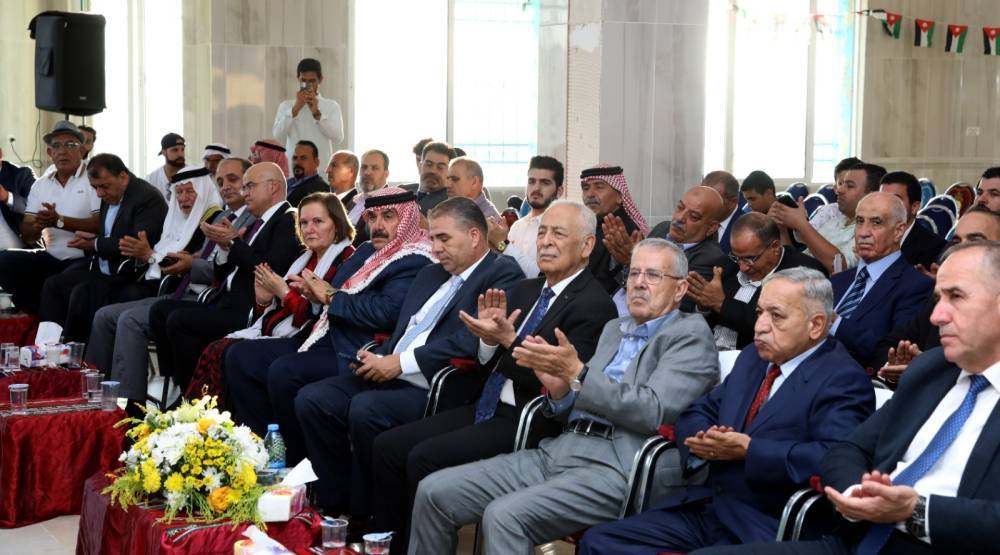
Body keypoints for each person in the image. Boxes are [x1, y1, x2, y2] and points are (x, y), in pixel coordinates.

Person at [408, 238, 719, 554]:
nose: (639, 283)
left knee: (504, 517)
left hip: (622, 465)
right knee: (434, 492)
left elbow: (653, 411)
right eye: (634, 273)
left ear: (680, 289)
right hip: (562, 449)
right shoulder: (615, 328)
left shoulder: (690, 336)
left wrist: (578, 375)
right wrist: (559, 392)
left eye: (652, 275)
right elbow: (576, 404)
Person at [695, 241, 1000, 555]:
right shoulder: (931, 371)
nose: (936, 316)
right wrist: (857, 492)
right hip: (855, 538)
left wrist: (916, 511)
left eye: (956, 296)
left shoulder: (851, 374)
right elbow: (849, 449)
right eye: (938, 298)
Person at [370, 200, 616, 554]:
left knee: (423, 457)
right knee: (388, 446)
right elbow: (488, 362)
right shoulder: (526, 290)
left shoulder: (594, 305)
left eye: (559, 234)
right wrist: (487, 341)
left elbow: (558, 384)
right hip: (486, 403)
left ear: (587, 245)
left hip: (530, 420)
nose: (546, 241)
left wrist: (507, 340)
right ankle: (387, 546)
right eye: (542, 232)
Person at [578, 268, 876, 554]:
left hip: (769, 523)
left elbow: (834, 457)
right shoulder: (754, 358)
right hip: (710, 506)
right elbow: (698, 411)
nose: (760, 327)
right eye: (759, 313)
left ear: (816, 325)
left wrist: (750, 450)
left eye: (776, 316)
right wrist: (705, 441)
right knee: (600, 541)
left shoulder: (843, 379)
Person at [295, 197, 524, 522]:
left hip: (437, 384)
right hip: (391, 369)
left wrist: (399, 363)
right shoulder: (431, 273)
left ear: (474, 236)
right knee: (313, 399)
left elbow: (469, 340)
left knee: (365, 409)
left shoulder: (502, 273)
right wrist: (378, 356)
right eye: (433, 238)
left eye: (444, 239)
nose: (436, 247)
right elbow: (405, 330)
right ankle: (336, 505)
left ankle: (369, 518)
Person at [226, 187, 434, 461]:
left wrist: (327, 296)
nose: (378, 226)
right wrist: (312, 294)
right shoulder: (367, 251)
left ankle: (295, 461)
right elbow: (331, 294)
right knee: (240, 356)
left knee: (283, 372)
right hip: (325, 334)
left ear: (407, 218)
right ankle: (261, 453)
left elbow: (385, 313)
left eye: (388, 216)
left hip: (357, 347)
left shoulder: (414, 258)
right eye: (372, 217)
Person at [186, 192, 357, 410]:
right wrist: (263, 301)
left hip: (316, 341)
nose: (309, 229)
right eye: (304, 223)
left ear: (337, 224)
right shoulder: (305, 257)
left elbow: (318, 318)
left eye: (318, 221)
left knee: (238, 354)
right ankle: (210, 419)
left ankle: (251, 425)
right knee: (220, 349)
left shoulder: (347, 260)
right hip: (290, 333)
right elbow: (275, 313)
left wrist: (283, 292)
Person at [147, 161, 302, 393]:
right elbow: (224, 273)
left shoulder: (288, 220)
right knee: (160, 310)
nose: (244, 192)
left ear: (273, 187)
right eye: (245, 187)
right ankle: (178, 384)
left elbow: (269, 268)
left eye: (250, 186)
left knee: (179, 321)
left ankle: (194, 395)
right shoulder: (259, 221)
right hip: (224, 299)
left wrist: (233, 242)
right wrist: (223, 248)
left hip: (249, 309)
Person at [84, 166, 227, 413]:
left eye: (190, 191)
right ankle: (93, 392)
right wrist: (147, 255)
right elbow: (162, 260)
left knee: (129, 320)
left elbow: (197, 266)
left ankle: (131, 406)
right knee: (104, 315)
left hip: (197, 297)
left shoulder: (213, 221)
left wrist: (150, 255)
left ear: (204, 191)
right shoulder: (177, 221)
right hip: (172, 293)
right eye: (179, 192)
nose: (183, 198)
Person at [35, 153, 168, 343]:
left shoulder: (146, 198)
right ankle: (46, 347)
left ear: (123, 177)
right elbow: (111, 233)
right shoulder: (111, 193)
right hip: (104, 268)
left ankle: (76, 354)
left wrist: (95, 244)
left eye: (104, 186)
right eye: (94, 187)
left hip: (129, 275)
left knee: (83, 293)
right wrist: (94, 240)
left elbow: (134, 244)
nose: (99, 194)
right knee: (54, 285)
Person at [872, 206, 1000, 384]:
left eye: (975, 241)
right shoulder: (937, 301)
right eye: (956, 241)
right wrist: (901, 365)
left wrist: (929, 368)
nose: (960, 249)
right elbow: (885, 346)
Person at [686, 213, 827, 351]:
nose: (742, 267)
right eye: (736, 257)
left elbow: (780, 327)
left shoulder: (804, 274)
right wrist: (704, 307)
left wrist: (722, 304)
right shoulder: (727, 265)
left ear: (775, 247)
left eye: (749, 259)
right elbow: (705, 321)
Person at [0, 121, 99, 314]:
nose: (62, 151)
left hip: (86, 256)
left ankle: (48, 324)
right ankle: (35, 315)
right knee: (4, 260)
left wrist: (59, 221)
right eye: (56, 146)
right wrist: (37, 225)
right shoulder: (41, 185)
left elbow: (100, 223)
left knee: (55, 284)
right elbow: (28, 236)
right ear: (49, 153)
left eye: (70, 144)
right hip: (51, 255)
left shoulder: (93, 178)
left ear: (82, 150)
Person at [829, 192, 933, 367]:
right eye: (859, 221)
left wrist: (834, 323)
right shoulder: (837, 281)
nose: (863, 233)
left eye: (876, 222)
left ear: (899, 231)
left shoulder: (916, 286)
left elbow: (891, 352)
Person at [771, 159, 880, 274]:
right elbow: (796, 257)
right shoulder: (836, 220)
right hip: (794, 276)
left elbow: (839, 267)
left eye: (850, 186)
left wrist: (802, 224)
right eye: (841, 184)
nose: (839, 190)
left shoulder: (869, 232)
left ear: (871, 195)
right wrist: (782, 228)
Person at [645, 186, 728, 312]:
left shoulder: (710, 259)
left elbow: (677, 304)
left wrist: (632, 263)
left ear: (711, 227)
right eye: (680, 207)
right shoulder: (662, 228)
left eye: (693, 216)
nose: (680, 218)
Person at [486, 155, 564, 278]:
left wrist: (502, 243)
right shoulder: (517, 226)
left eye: (545, 183)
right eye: (531, 181)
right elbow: (505, 269)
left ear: (559, 191)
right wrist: (493, 247)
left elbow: (540, 276)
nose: (536, 188)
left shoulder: (561, 228)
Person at [580, 164, 651, 294]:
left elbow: (607, 282)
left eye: (599, 187)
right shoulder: (591, 224)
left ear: (619, 196)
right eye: (585, 188)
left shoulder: (626, 230)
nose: (589, 194)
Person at [272, 57, 344, 172]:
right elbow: (277, 135)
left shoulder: (331, 106)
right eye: (303, 80)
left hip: (320, 171)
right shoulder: (286, 106)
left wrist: (317, 113)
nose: (307, 85)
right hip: (294, 171)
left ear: (320, 80)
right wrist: (295, 109)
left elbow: (338, 137)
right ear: (298, 79)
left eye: (312, 81)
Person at [879, 171, 946, 269]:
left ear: (914, 207)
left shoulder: (935, 248)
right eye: (882, 200)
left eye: (895, 200)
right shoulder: (869, 237)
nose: (885, 206)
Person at [348, 150, 390, 246]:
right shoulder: (353, 201)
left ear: (386, 174)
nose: (367, 172)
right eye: (364, 167)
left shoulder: (390, 204)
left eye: (375, 168)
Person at [0, 145, 36, 250]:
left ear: (0, 153)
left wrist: (7, 197)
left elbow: (37, 209)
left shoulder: (22, 175)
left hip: (15, 251)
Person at [701, 170, 743, 253]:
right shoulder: (698, 218)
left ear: (733, 201)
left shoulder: (747, 227)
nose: (705, 204)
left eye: (713, 200)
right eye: (703, 197)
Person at [287, 140, 331, 208]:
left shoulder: (320, 188)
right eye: (295, 158)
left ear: (316, 162)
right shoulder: (288, 182)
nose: (297, 162)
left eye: (303, 158)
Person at [416, 141, 456, 215]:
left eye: (440, 167)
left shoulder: (449, 204)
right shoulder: (402, 191)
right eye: (429, 164)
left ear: (450, 172)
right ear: (420, 165)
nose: (433, 171)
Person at [145, 132, 186, 199]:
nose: (180, 154)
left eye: (182, 150)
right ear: (164, 152)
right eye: (175, 150)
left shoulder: (195, 175)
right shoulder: (151, 179)